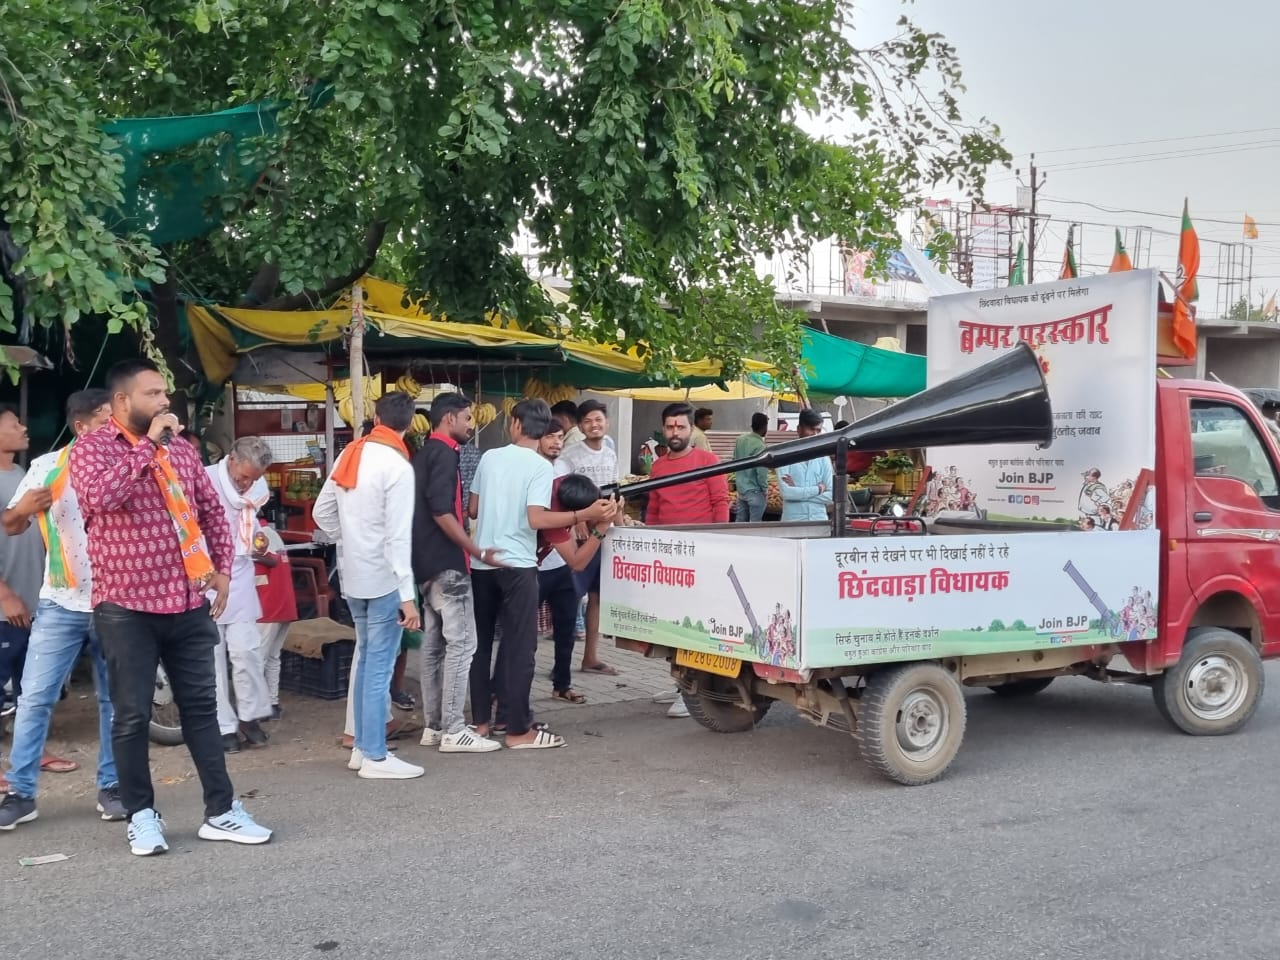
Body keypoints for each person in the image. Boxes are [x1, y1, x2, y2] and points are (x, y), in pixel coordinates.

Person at [70, 358, 271, 856]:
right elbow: (101, 497)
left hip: (185, 601)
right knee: (132, 716)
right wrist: (147, 446)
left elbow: (211, 514)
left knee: (201, 710)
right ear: (122, 402)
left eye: (165, 393)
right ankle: (141, 815)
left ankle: (221, 811)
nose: (165, 402)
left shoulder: (181, 451)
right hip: (126, 607)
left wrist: (222, 568)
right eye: (152, 393)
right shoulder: (92, 450)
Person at [0, 391, 126, 830]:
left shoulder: (126, 465)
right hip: (60, 602)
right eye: (105, 420)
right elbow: (12, 524)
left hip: (115, 602)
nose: (114, 428)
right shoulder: (47, 467)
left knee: (115, 700)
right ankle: (20, 793)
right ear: (82, 426)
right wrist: (24, 508)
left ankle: (112, 787)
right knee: (35, 698)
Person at [467, 398, 612, 750]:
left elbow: (472, 508)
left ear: (514, 424)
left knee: (482, 645)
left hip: (483, 562)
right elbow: (536, 519)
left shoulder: (489, 457)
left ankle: (483, 724)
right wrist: (584, 516)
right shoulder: (540, 468)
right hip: (518, 566)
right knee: (520, 647)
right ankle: (518, 731)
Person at [313, 391, 423, 780]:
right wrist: (408, 598)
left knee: (365, 664)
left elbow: (321, 511)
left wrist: (350, 539)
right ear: (409, 424)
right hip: (383, 579)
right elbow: (398, 538)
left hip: (352, 575)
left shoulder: (351, 453)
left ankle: (362, 748)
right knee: (378, 667)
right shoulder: (397, 466)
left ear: (376, 417)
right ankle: (375, 755)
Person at [411, 391, 501, 755]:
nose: (471, 424)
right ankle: (453, 728)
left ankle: (434, 726)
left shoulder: (422, 455)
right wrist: (474, 548)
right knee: (464, 645)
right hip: (448, 565)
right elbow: (441, 511)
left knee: (434, 648)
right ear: (449, 419)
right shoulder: (446, 455)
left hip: (425, 565)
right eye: (466, 418)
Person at [645, 402, 730, 717]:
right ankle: (679, 682)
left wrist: (717, 547)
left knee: (694, 626)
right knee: (671, 624)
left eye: (680, 426)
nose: (675, 432)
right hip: (667, 560)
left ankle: (693, 691)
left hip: (701, 556)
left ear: (691, 429)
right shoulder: (658, 467)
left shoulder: (708, 461)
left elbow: (720, 503)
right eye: (669, 427)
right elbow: (653, 508)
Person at [207, 436, 274, 753]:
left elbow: (252, 528)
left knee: (247, 650)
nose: (247, 484)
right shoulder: (205, 480)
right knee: (213, 657)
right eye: (243, 477)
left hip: (241, 572)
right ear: (231, 459)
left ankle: (250, 716)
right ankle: (222, 726)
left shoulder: (257, 490)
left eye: (253, 479)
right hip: (206, 575)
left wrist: (258, 540)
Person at [559, 399, 618, 676]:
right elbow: (562, 492)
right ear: (580, 426)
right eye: (588, 421)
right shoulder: (569, 455)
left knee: (596, 595)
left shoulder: (610, 451)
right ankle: (562, 665)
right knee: (572, 596)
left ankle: (590, 657)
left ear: (606, 422)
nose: (594, 425)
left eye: (598, 420)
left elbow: (615, 493)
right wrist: (578, 519)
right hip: (580, 534)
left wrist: (620, 522)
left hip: (605, 531)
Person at [535, 423, 588, 705]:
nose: (556, 443)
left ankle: (562, 684)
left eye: (559, 437)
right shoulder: (531, 470)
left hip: (561, 561)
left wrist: (579, 520)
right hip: (534, 564)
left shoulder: (564, 470)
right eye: (550, 437)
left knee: (566, 627)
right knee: (523, 636)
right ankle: (501, 691)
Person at [253, 522, 296, 721]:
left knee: (258, 657)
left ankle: (257, 707)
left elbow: (271, 562)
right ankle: (271, 702)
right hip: (285, 605)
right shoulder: (272, 532)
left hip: (269, 605)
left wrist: (245, 555)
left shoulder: (258, 533)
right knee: (272, 656)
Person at [776, 409, 833, 522]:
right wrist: (818, 489)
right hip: (793, 522)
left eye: (818, 430)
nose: (815, 434)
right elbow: (786, 493)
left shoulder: (823, 458)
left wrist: (798, 491)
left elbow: (831, 495)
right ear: (799, 429)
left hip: (818, 520)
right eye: (811, 429)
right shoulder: (784, 456)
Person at [732, 412, 769, 523]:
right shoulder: (761, 446)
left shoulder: (740, 440)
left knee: (740, 524)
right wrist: (765, 489)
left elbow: (734, 461)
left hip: (741, 491)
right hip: (755, 492)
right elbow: (761, 472)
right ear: (764, 427)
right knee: (755, 526)